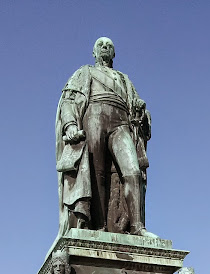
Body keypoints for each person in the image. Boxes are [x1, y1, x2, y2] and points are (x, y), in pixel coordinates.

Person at [56, 37, 157, 238]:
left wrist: (140, 110)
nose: (104, 47)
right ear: (94, 52)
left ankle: (137, 226)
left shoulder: (124, 79)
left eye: (109, 46)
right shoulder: (85, 72)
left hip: (121, 122)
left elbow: (137, 108)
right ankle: (99, 226)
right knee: (96, 172)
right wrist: (70, 125)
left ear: (114, 53)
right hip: (94, 115)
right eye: (100, 45)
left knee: (133, 171)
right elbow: (69, 100)